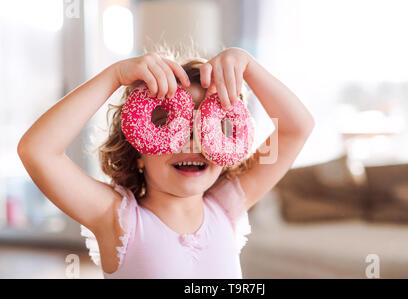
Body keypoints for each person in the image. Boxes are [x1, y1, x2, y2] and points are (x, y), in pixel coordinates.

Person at [17, 47, 315, 278]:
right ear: (137, 152)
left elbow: (296, 128)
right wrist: (114, 75)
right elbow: (38, 151)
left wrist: (248, 67)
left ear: (226, 151)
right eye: (166, 124)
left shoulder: (226, 206)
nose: (192, 141)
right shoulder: (118, 220)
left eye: (207, 127)